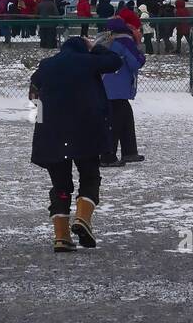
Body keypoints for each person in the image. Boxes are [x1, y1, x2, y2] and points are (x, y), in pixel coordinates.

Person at [29, 35, 123, 252]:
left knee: (60, 186)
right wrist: (97, 49)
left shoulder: (47, 64)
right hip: (85, 130)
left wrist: (45, 114)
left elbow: (33, 92)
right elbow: (116, 61)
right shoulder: (87, 61)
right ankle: (82, 219)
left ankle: (61, 237)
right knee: (90, 176)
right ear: (83, 48)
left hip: (51, 133)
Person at [99, 17, 146, 166]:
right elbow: (136, 63)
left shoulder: (104, 40)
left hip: (104, 85)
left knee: (125, 116)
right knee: (115, 121)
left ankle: (129, 151)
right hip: (118, 89)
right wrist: (138, 45)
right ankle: (108, 157)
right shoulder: (125, 41)